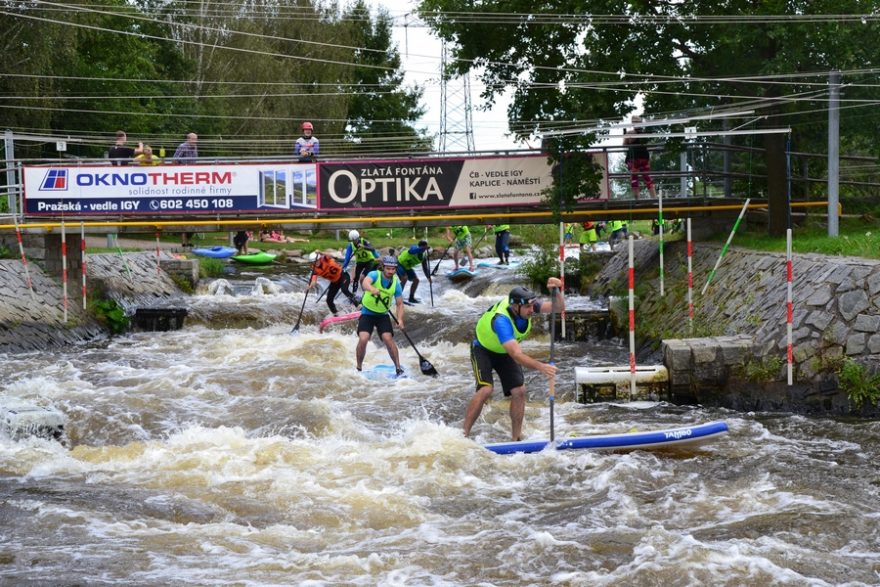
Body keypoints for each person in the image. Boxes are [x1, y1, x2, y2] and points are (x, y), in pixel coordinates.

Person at [463, 280, 565, 441]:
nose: (532, 310)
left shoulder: (526, 305)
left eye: (532, 306)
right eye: (528, 307)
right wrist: (541, 367)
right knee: (485, 390)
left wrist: (556, 290)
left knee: (519, 391)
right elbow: (517, 355)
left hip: (504, 351)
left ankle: (516, 438)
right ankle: (464, 434)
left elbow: (558, 308)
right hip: (483, 349)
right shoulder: (501, 321)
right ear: (515, 307)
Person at [356, 255, 405, 376]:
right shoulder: (374, 274)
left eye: (393, 269)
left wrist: (399, 319)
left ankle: (398, 368)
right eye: (388, 268)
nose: (391, 271)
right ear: (383, 267)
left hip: (383, 315)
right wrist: (372, 289)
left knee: (388, 339)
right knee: (363, 339)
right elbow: (365, 283)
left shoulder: (396, 284)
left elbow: (400, 304)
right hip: (367, 312)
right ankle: (358, 368)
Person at [308, 251, 358, 316]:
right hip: (334, 282)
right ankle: (336, 314)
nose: (316, 263)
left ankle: (358, 305)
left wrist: (321, 252)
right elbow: (314, 281)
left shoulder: (325, 258)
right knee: (329, 300)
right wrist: (310, 286)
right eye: (314, 262)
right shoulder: (314, 269)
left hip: (343, 276)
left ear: (319, 259)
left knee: (344, 290)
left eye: (317, 260)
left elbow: (331, 255)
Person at [624, 115, 657, 199]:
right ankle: (654, 198)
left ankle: (637, 199)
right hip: (644, 158)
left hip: (633, 158)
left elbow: (624, 144)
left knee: (634, 179)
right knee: (647, 178)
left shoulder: (630, 133)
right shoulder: (644, 134)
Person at [341, 229, 379, 294]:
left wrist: (363, 246)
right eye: (352, 241)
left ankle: (367, 292)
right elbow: (347, 258)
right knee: (356, 278)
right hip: (360, 262)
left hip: (369, 261)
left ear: (358, 238)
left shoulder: (364, 241)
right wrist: (343, 267)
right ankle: (354, 294)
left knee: (362, 278)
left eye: (355, 240)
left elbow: (372, 249)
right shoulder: (350, 245)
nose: (354, 242)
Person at [396, 240, 432, 304]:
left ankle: (411, 298)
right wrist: (423, 248)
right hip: (399, 264)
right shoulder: (414, 247)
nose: (423, 250)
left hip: (407, 267)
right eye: (423, 248)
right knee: (404, 278)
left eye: (424, 248)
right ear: (420, 246)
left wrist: (428, 277)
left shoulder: (423, 256)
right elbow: (412, 251)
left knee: (416, 280)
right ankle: (397, 297)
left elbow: (425, 267)